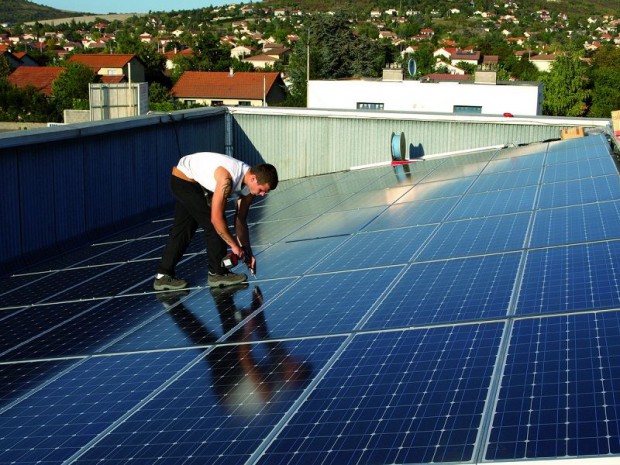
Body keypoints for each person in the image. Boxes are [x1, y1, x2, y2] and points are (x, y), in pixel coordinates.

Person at [153, 151, 278, 290]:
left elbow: (241, 219)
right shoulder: (226, 179)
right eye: (262, 190)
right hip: (184, 181)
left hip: (197, 182)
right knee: (215, 225)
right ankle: (217, 273)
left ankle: (162, 276)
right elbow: (216, 219)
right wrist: (234, 246)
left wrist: (247, 252)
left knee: (183, 230)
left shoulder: (250, 182)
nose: (262, 195)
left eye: (265, 192)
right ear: (254, 179)